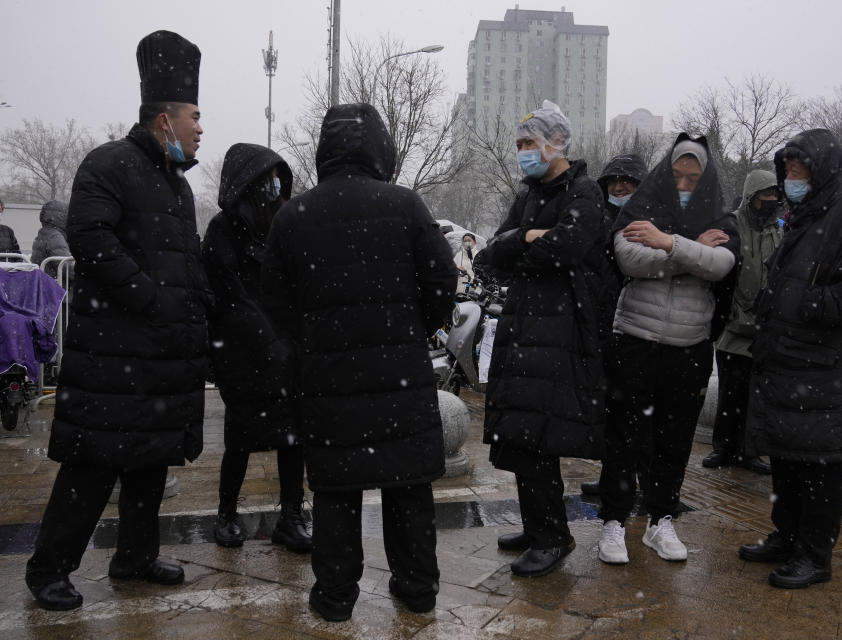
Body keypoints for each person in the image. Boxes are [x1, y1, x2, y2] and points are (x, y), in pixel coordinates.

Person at [25, 30, 209, 611]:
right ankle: (48, 568)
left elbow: (184, 264)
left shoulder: (177, 186)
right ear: (164, 119)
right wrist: (148, 298)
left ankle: (134, 556)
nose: (202, 127)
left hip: (160, 356)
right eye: (195, 116)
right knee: (93, 465)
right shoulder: (108, 164)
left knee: (149, 463)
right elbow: (90, 236)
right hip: (115, 351)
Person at [262, 103, 456, 622]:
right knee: (408, 487)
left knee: (335, 493)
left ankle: (334, 597)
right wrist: (416, 328)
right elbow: (442, 279)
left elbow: (273, 298)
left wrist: (309, 339)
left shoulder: (293, 215)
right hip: (401, 377)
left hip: (327, 380)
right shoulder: (405, 205)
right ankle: (417, 590)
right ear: (380, 148)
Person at [741, 129, 842, 589]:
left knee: (821, 470)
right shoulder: (803, 216)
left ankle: (815, 555)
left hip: (826, 373)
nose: (791, 177)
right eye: (787, 169)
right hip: (790, 366)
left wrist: (808, 305)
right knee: (788, 460)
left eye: (800, 169)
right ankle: (786, 536)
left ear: (823, 171)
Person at [596, 135, 739, 566]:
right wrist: (687, 249)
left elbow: (722, 265)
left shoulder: (721, 217)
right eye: (677, 175)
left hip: (689, 346)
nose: (684, 183)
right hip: (634, 339)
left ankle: (661, 519)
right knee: (623, 435)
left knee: (674, 441)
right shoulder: (639, 209)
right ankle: (614, 521)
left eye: (693, 177)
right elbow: (629, 259)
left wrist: (665, 242)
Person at [481, 100, 607, 578]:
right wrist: (527, 237)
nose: (523, 153)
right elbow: (493, 251)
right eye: (520, 145)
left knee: (540, 435)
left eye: (530, 143)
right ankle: (539, 527)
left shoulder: (583, 191)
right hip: (522, 325)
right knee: (520, 433)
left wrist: (532, 241)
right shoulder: (529, 193)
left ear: (557, 143)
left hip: (559, 331)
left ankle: (554, 535)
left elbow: (568, 246)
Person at [201, 143, 310, 552]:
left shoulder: (283, 222)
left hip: (286, 348)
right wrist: (268, 338)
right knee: (242, 434)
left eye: (277, 178)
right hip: (242, 350)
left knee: (293, 435)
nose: (274, 186)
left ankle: (292, 515)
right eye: (267, 179)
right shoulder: (222, 230)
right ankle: (226, 513)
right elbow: (230, 296)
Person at [704, 170, 784, 475]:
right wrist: (734, 310)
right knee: (730, 392)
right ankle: (723, 447)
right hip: (732, 326)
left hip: (764, 328)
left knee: (755, 396)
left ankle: (749, 451)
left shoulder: (778, 229)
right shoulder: (731, 224)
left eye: (774, 195)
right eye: (765, 195)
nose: (771, 200)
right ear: (752, 196)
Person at [580, 153, 647, 497]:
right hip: (601, 323)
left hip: (634, 325)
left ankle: (636, 480)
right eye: (614, 181)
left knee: (632, 411)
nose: (619, 187)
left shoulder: (647, 220)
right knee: (609, 409)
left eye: (627, 181)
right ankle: (613, 475)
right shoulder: (596, 216)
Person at [31, 200, 70, 276]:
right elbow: (66, 267)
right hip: (56, 284)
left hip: (46, 281)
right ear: (61, 216)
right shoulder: (55, 236)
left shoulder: (43, 233)